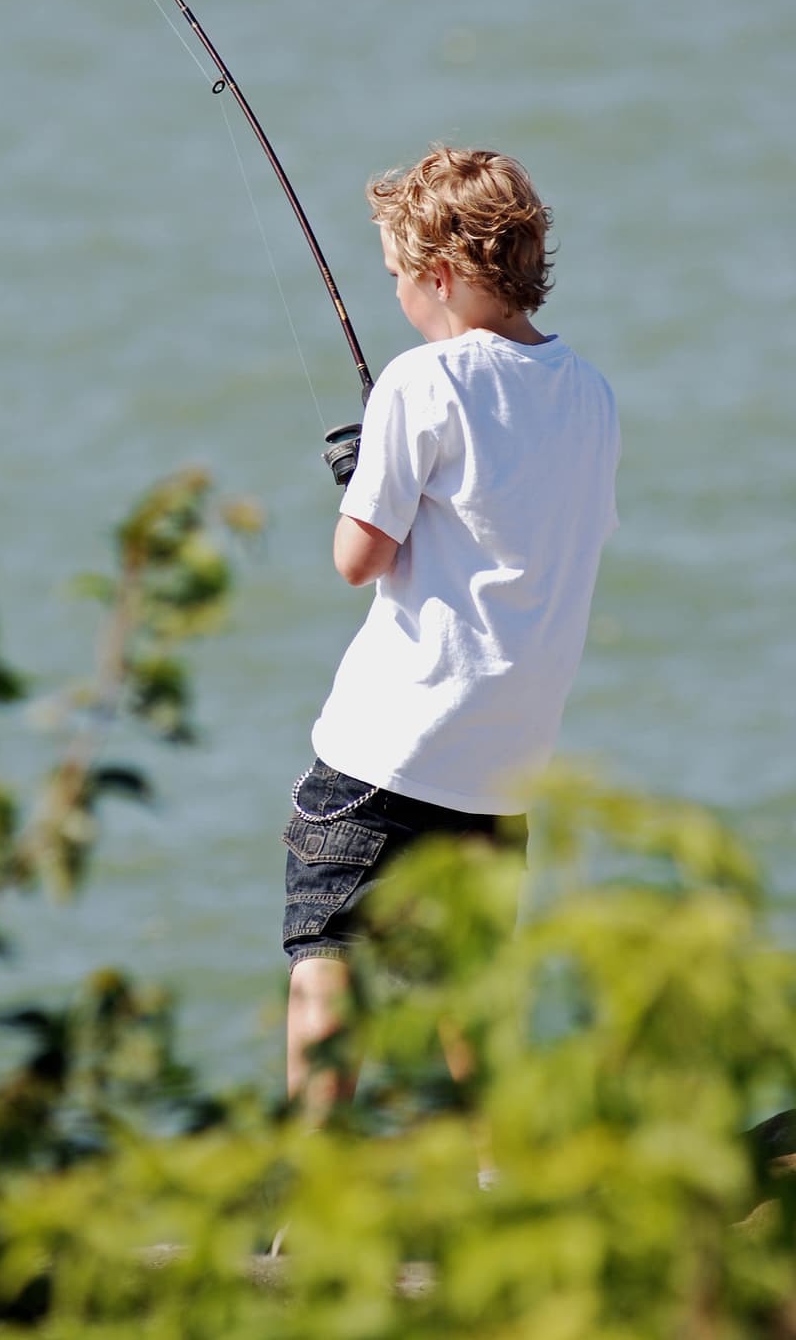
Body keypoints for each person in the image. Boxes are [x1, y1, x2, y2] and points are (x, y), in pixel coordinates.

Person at [284, 145, 620, 1115]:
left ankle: (313, 1187)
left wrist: (360, 480)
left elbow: (358, 557)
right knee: (471, 984)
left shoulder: (417, 383)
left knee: (325, 947)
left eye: (396, 278)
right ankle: (493, 1177)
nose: (396, 296)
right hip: (503, 761)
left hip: (384, 752)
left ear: (436, 274)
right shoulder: (589, 396)